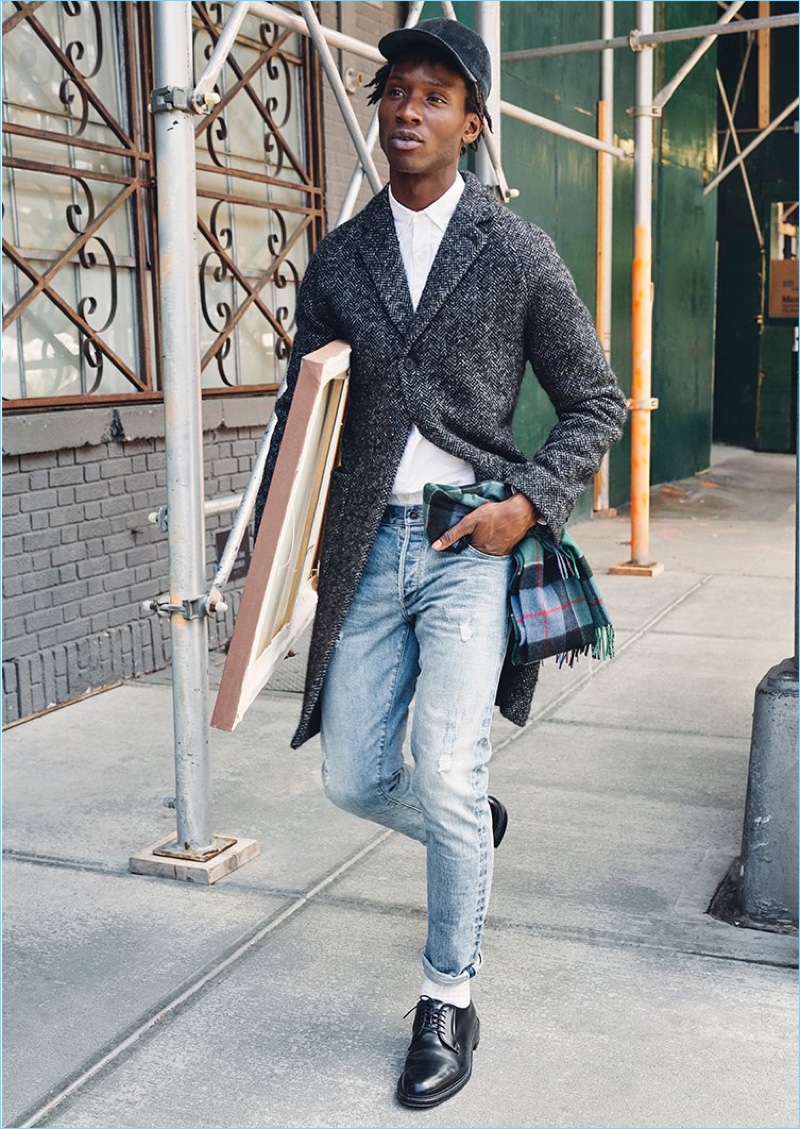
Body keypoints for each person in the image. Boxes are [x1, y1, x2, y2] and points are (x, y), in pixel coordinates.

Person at [255, 16, 627, 1109]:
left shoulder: (514, 251)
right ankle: (470, 833)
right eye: (392, 92)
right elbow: (302, 414)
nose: (406, 110)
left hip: (472, 542)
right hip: (367, 547)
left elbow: (593, 402)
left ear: (471, 122)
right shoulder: (342, 259)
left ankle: (446, 995)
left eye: (432, 95)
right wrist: (276, 555)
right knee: (356, 775)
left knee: (450, 770)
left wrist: (530, 500)